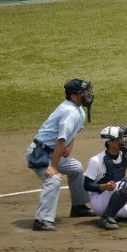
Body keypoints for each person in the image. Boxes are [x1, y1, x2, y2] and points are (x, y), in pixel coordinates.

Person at [26, 78, 96, 231]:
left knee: (76, 168)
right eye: (83, 92)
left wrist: (69, 147)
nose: (87, 95)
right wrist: (53, 167)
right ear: (73, 96)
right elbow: (60, 141)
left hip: (52, 151)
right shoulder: (69, 112)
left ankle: (78, 207)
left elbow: (72, 134)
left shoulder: (77, 110)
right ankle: (42, 220)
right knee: (53, 179)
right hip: (40, 153)